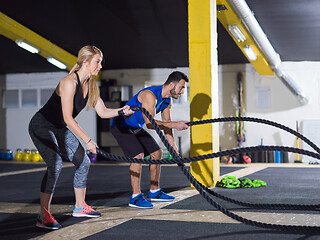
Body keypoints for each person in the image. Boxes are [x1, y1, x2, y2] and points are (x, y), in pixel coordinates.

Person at [28, 45, 133, 230]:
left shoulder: (91, 84)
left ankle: (79, 206)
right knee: (55, 164)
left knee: (83, 162)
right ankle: (43, 215)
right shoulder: (69, 82)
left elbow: (102, 112)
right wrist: (88, 141)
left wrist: (121, 111)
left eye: (101, 62)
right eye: (97, 62)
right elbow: (68, 118)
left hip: (60, 128)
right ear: (85, 61)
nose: (100, 65)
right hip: (42, 125)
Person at [110, 71, 189, 209]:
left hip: (135, 126)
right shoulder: (150, 95)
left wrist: (172, 145)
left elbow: (167, 123)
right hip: (121, 126)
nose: (182, 91)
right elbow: (150, 124)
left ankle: (154, 191)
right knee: (138, 155)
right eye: (181, 87)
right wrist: (176, 124)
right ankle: (135, 197)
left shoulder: (166, 101)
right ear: (172, 84)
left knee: (157, 153)